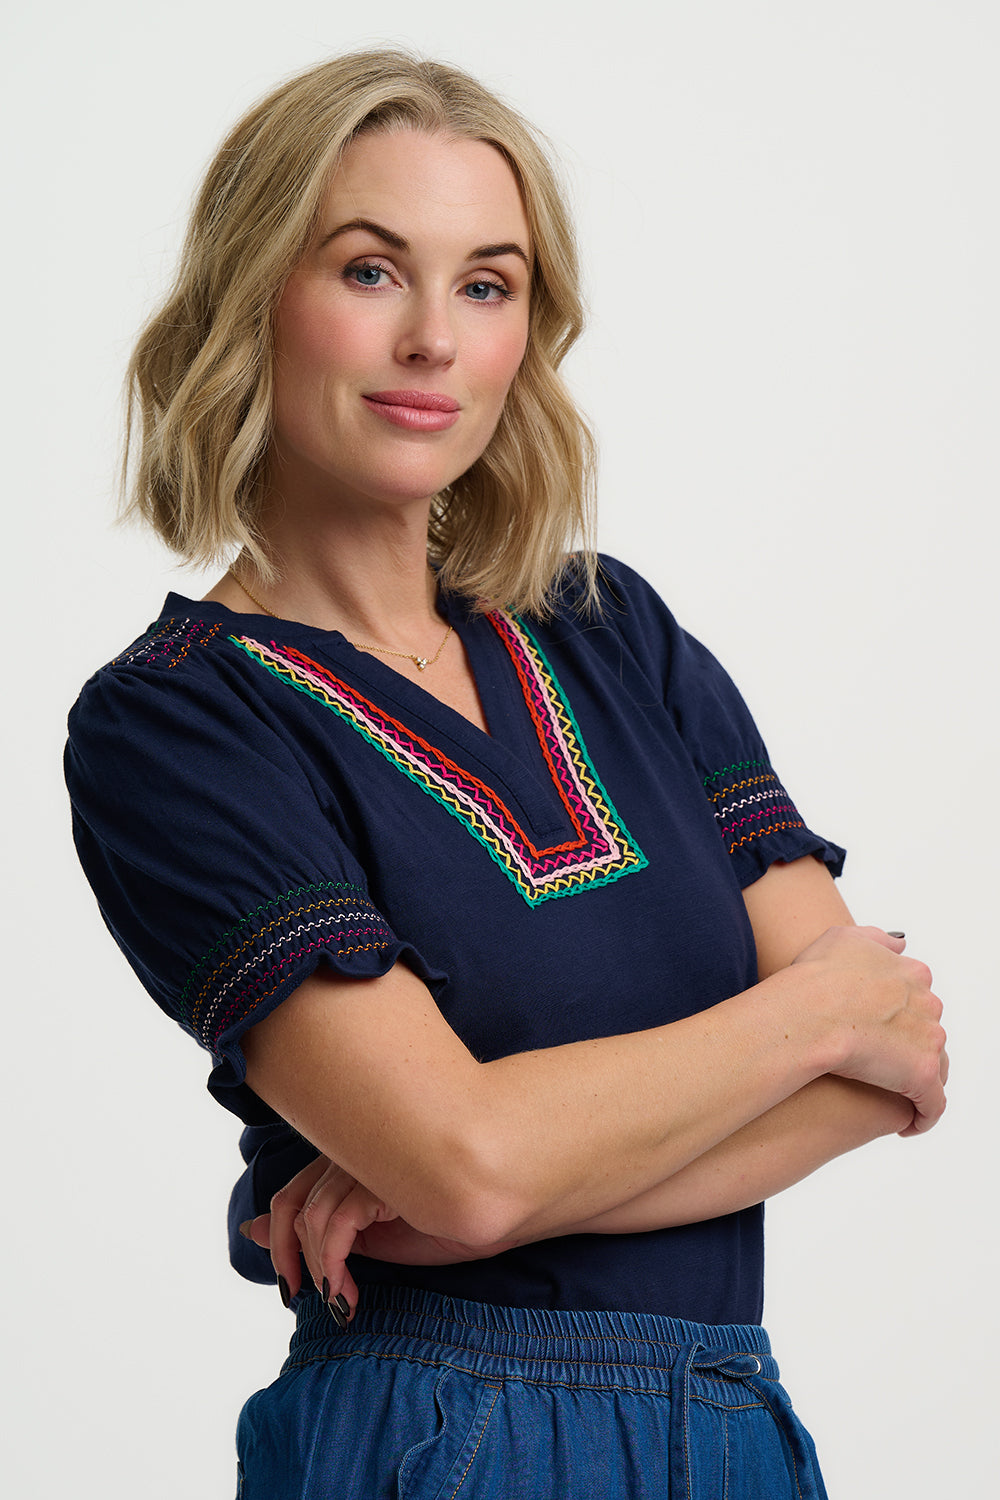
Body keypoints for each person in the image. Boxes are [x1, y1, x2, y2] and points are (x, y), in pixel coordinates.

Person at [64, 50, 946, 1499]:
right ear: (253, 298)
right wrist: (810, 1010)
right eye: (369, 271)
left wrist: (480, 1197)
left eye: (487, 285)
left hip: (732, 1424)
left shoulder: (611, 630)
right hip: (444, 1435)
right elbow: (473, 1159)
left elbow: (890, 1066)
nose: (433, 339)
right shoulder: (180, 723)